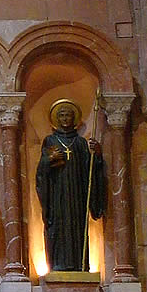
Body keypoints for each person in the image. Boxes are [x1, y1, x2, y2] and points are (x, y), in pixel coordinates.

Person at [36, 99, 107, 272]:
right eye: (62, 115)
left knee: (77, 228)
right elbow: (41, 172)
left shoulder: (80, 143)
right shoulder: (50, 141)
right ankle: (58, 264)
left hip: (77, 195)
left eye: (68, 115)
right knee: (57, 227)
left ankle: (79, 265)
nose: (65, 118)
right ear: (56, 119)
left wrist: (97, 155)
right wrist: (49, 160)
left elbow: (90, 171)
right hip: (57, 194)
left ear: (74, 118)